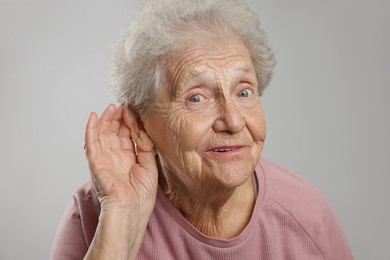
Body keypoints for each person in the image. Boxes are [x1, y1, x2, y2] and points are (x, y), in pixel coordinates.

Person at [51, 0, 353, 259]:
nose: (233, 121)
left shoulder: (307, 216)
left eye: (244, 92)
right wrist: (121, 221)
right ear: (140, 122)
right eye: (197, 98)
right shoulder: (95, 213)